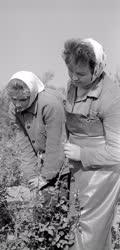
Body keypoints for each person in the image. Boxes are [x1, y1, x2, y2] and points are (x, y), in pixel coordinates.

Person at [62, 38, 120, 250]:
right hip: (77, 168)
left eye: (81, 74)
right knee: (76, 221)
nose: (74, 78)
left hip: (102, 173)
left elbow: (117, 152)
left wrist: (82, 153)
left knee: (90, 230)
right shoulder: (73, 85)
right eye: (71, 72)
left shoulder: (112, 97)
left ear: (97, 69)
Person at [6, 71, 66, 193]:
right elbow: (24, 144)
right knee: (45, 201)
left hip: (66, 161)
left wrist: (45, 177)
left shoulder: (49, 105)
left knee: (65, 202)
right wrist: (32, 177)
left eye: (23, 100)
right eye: (14, 99)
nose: (17, 104)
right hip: (48, 161)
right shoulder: (14, 110)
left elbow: (56, 143)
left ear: (32, 94)